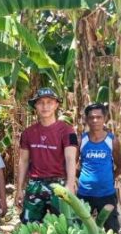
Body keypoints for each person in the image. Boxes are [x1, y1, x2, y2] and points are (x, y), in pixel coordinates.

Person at [15, 87, 79, 223]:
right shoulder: (28, 133)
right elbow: (23, 161)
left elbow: (70, 159)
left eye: (49, 102)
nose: (45, 106)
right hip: (35, 185)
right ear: (35, 106)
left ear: (56, 105)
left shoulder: (67, 131)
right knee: (29, 226)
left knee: (64, 226)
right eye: (40, 102)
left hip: (59, 184)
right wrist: (19, 189)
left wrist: (70, 184)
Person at [77, 103, 121, 234]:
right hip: (84, 194)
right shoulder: (81, 140)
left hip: (106, 194)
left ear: (105, 118)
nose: (95, 120)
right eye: (91, 117)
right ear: (86, 119)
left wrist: (109, 178)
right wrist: (82, 177)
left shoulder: (112, 140)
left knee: (112, 231)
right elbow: (72, 164)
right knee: (80, 231)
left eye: (98, 117)